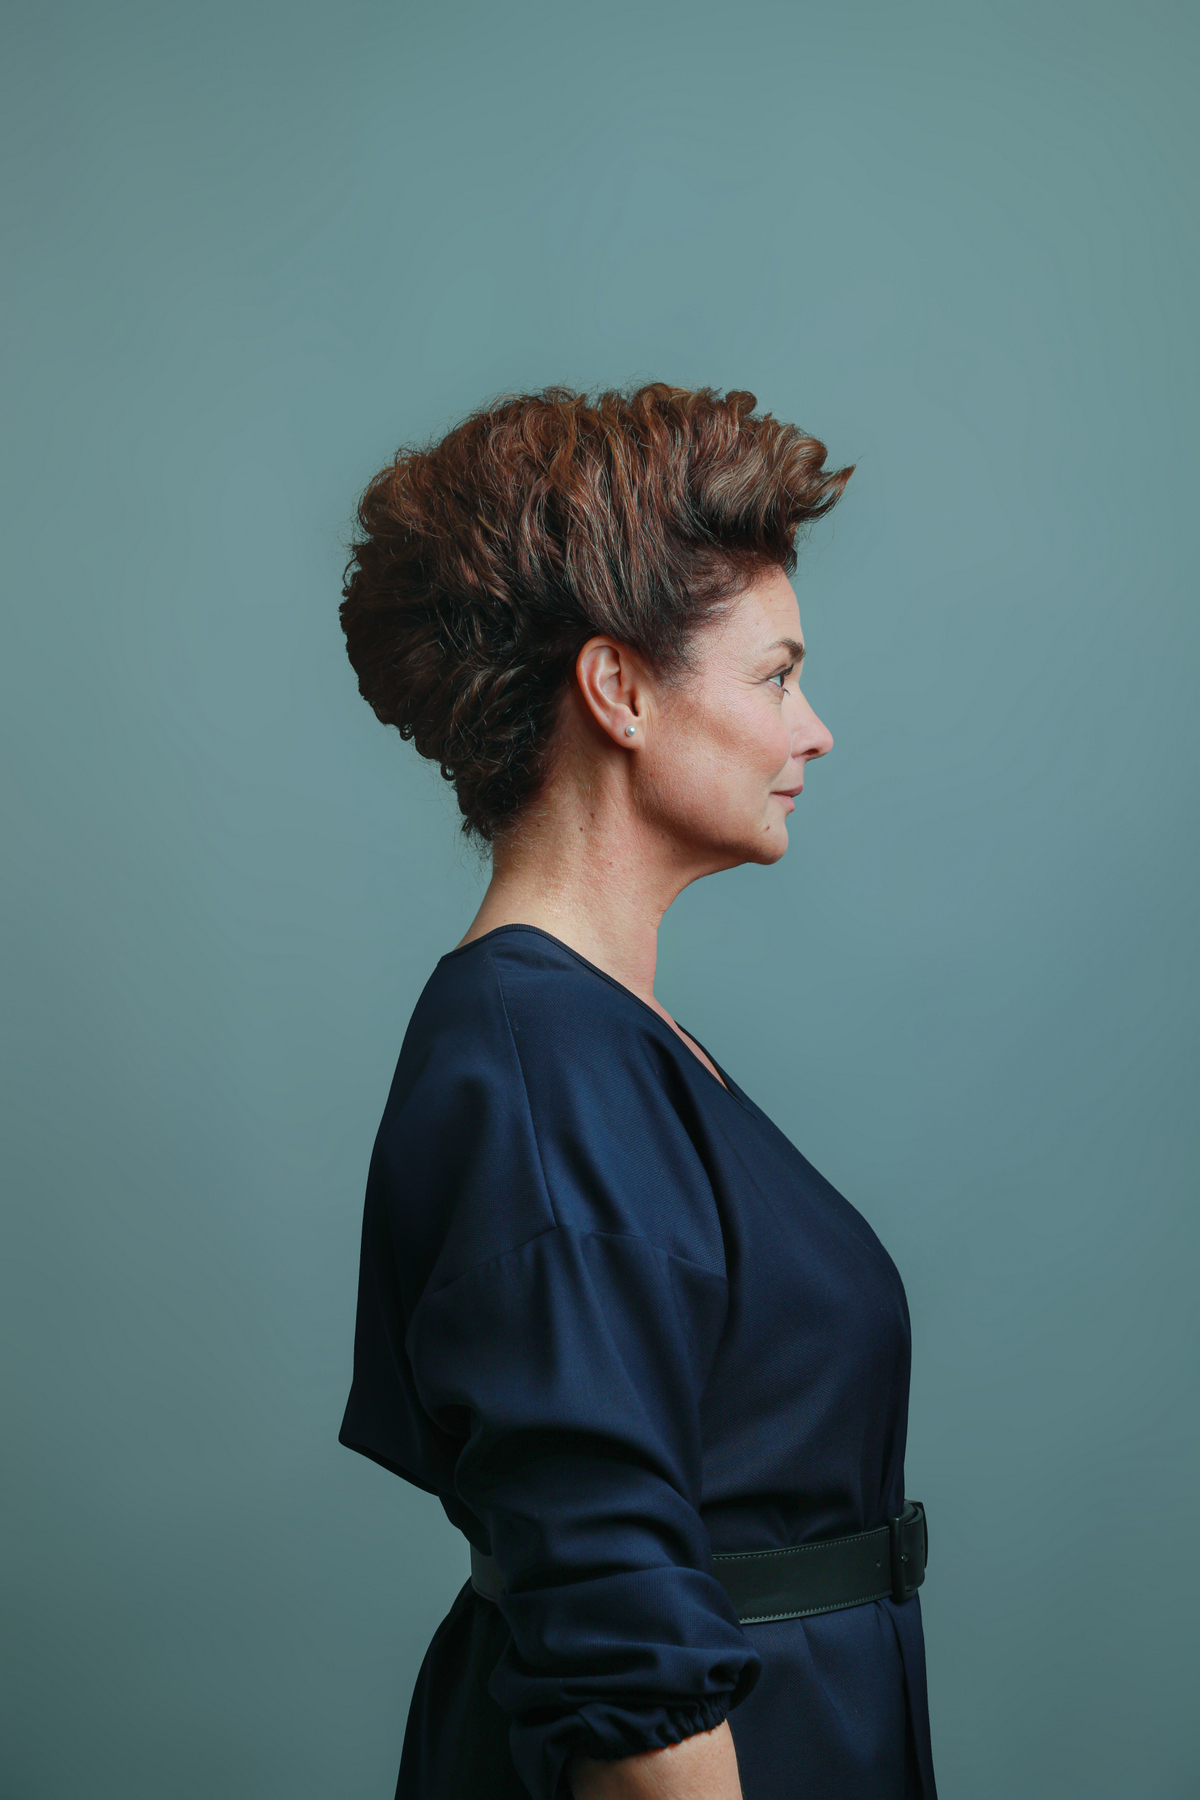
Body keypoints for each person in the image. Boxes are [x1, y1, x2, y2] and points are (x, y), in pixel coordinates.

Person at [337, 384, 936, 1800]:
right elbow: (622, 1656)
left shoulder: (604, 1040)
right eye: (776, 678)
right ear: (618, 691)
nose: (814, 731)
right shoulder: (535, 1066)